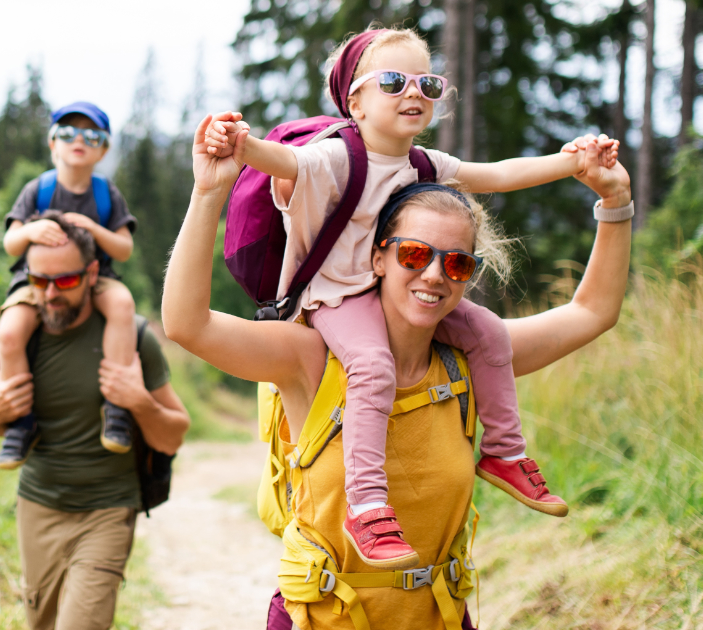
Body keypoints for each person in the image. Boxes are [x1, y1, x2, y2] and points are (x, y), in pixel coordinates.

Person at [164, 111, 632, 628]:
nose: (434, 274)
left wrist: (615, 203)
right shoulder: (312, 358)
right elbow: (188, 325)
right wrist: (209, 192)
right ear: (378, 258)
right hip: (324, 618)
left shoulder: (472, 361)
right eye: (414, 254)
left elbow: (593, 312)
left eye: (457, 263)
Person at [201, 26, 620, 567]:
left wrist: (573, 163)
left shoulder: (422, 165)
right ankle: (368, 504)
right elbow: (282, 162)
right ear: (355, 99)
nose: (414, 93)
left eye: (428, 82)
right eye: (394, 81)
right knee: (372, 365)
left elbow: (493, 175)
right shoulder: (334, 157)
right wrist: (236, 144)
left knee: (489, 332)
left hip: (385, 292)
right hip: (336, 299)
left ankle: (503, 452)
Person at [0, 212, 191, 630]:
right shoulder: (18, 338)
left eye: (66, 281)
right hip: (38, 506)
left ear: (93, 273)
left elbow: (174, 435)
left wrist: (138, 402)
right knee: (42, 622)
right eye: (39, 281)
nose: (51, 294)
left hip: (108, 510)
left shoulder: (134, 340)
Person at [0, 101, 143, 470]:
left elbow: (123, 248)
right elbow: (11, 243)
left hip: (96, 277)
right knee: (10, 333)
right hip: (38, 280)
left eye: (91, 135)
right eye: (68, 133)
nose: (79, 140)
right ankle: (20, 422)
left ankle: (116, 407)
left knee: (123, 307)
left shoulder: (106, 193)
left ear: (103, 149)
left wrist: (93, 229)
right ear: (52, 144)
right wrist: (29, 230)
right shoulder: (38, 189)